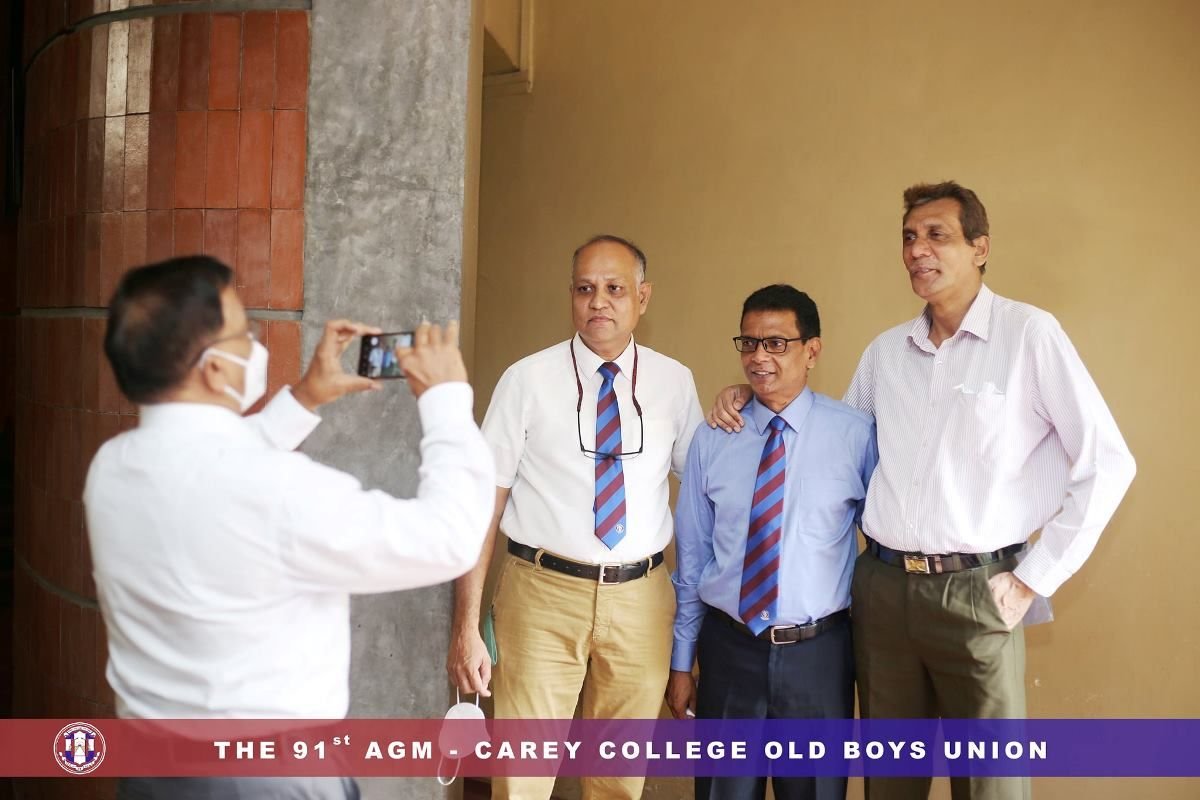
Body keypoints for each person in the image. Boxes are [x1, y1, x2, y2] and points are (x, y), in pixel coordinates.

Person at [708, 182, 1136, 800]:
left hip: (977, 593)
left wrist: (1033, 579)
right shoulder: (887, 353)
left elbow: (1108, 463)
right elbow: (827, 445)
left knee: (990, 784)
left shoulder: (1029, 335)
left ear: (980, 248)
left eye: (937, 235)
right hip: (882, 594)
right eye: (909, 237)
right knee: (890, 781)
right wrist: (754, 396)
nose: (917, 250)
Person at [85, 256, 495, 800]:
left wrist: (306, 397)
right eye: (245, 334)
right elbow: (449, 539)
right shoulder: (275, 489)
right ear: (214, 368)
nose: (255, 345)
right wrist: (446, 401)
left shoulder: (111, 467)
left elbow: (214, 465)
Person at [446, 234, 704, 799]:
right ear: (570, 295)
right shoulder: (526, 380)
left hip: (641, 600)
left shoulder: (674, 382)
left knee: (618, 781)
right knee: (521, 778)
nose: (598, 302)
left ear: (643, 296)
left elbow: (707, 489)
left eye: (615, 289)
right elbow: (482, 503)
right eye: (585, 289)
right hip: (540, 595)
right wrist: (466, 626)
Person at [669, 285, 876, 800]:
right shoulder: (714, 437)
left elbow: (884, 544)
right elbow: (692, 558)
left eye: (777, 343)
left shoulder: (855, 435)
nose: (759, 357)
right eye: (749, 342)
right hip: (729, 650)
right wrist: (681, 660)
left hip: (819, 657)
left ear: (812, 350)